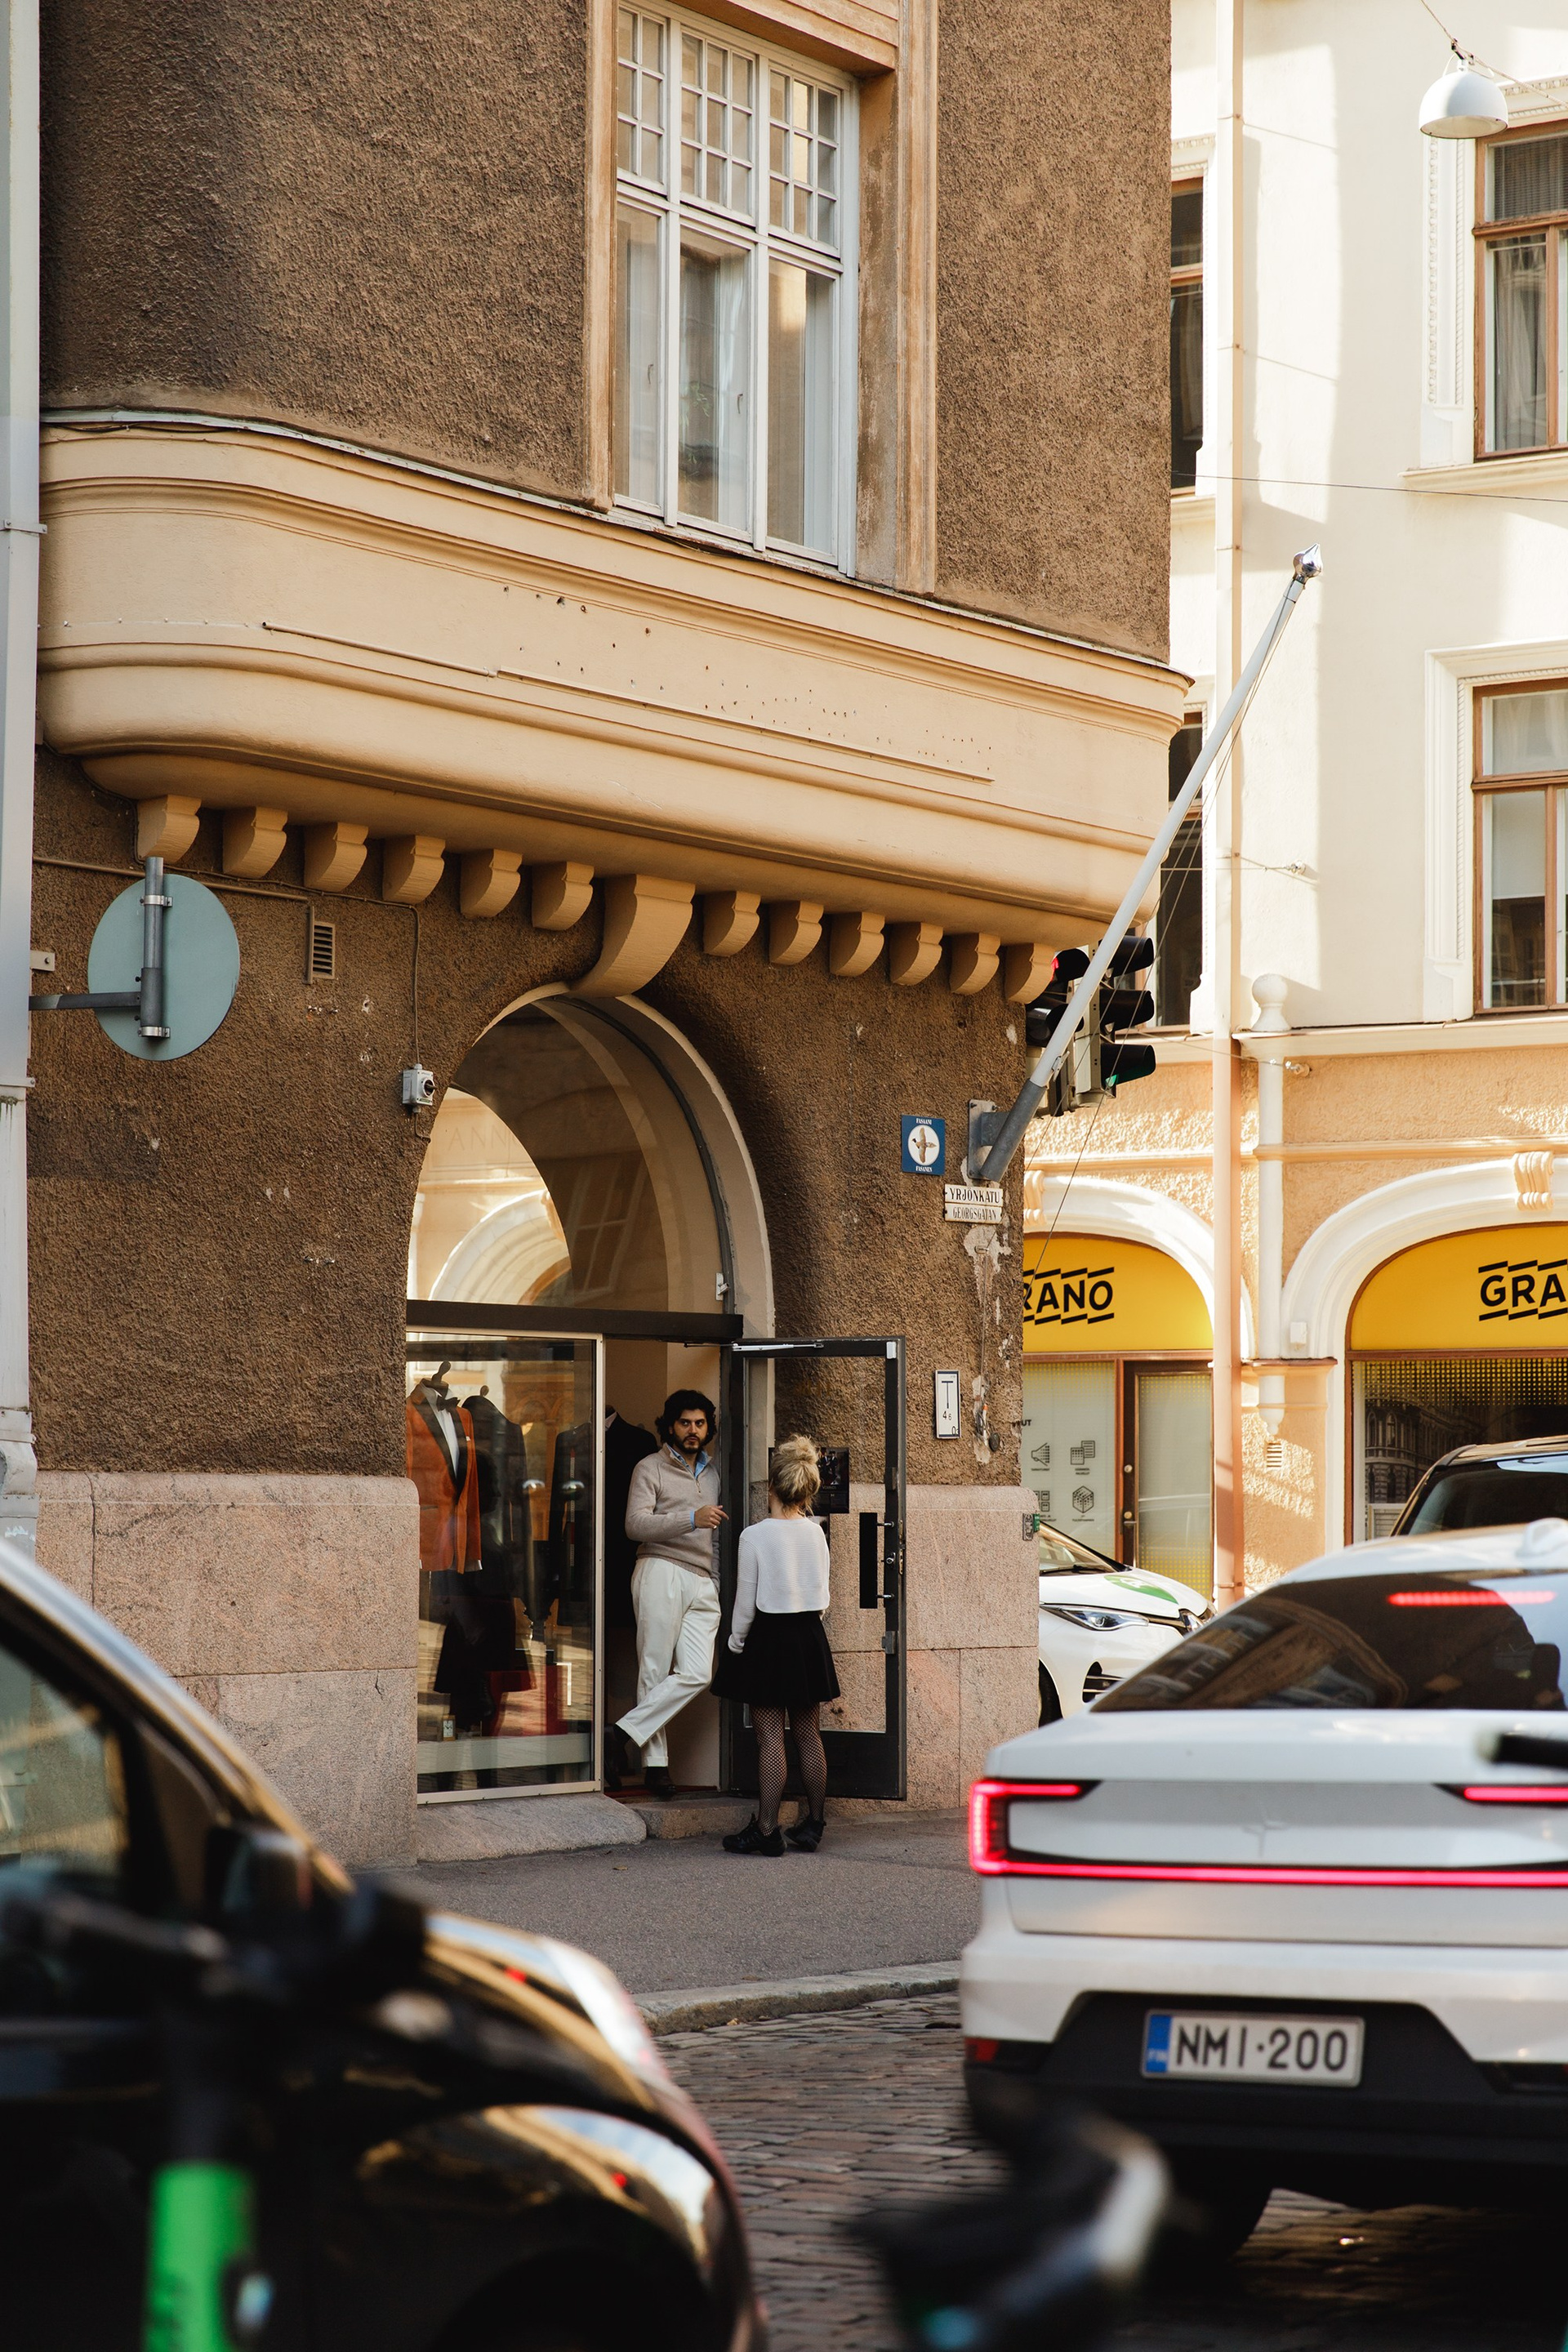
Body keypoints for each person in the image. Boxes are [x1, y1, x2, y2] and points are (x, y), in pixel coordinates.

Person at [712, 1433, 840, 1857]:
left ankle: (767, 1830)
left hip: (768, 1638)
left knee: (770, 1738)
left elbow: (745, 1602)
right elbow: (823, 1596)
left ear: (772, 1486)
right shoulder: (816, 1533)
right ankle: (814, 1823)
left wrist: (736, 1643)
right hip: (808, 1636)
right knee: (808, 1732)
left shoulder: (754, 1536)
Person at [612, 1390, 727, 1801]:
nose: (692, 1430)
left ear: (708, 1428)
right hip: (659, 1568)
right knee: (654, 1669)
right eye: (684, 1423)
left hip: (702, 1580)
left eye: (699, 1423)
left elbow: (716, 1537)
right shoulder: (650, 1467)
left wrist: (714, 1580)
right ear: (671, 1426)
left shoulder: (713, 1475)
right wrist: (690, 1519)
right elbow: (635, 1525)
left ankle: (621, 1734)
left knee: (698, 1673)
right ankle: (656, 1766)